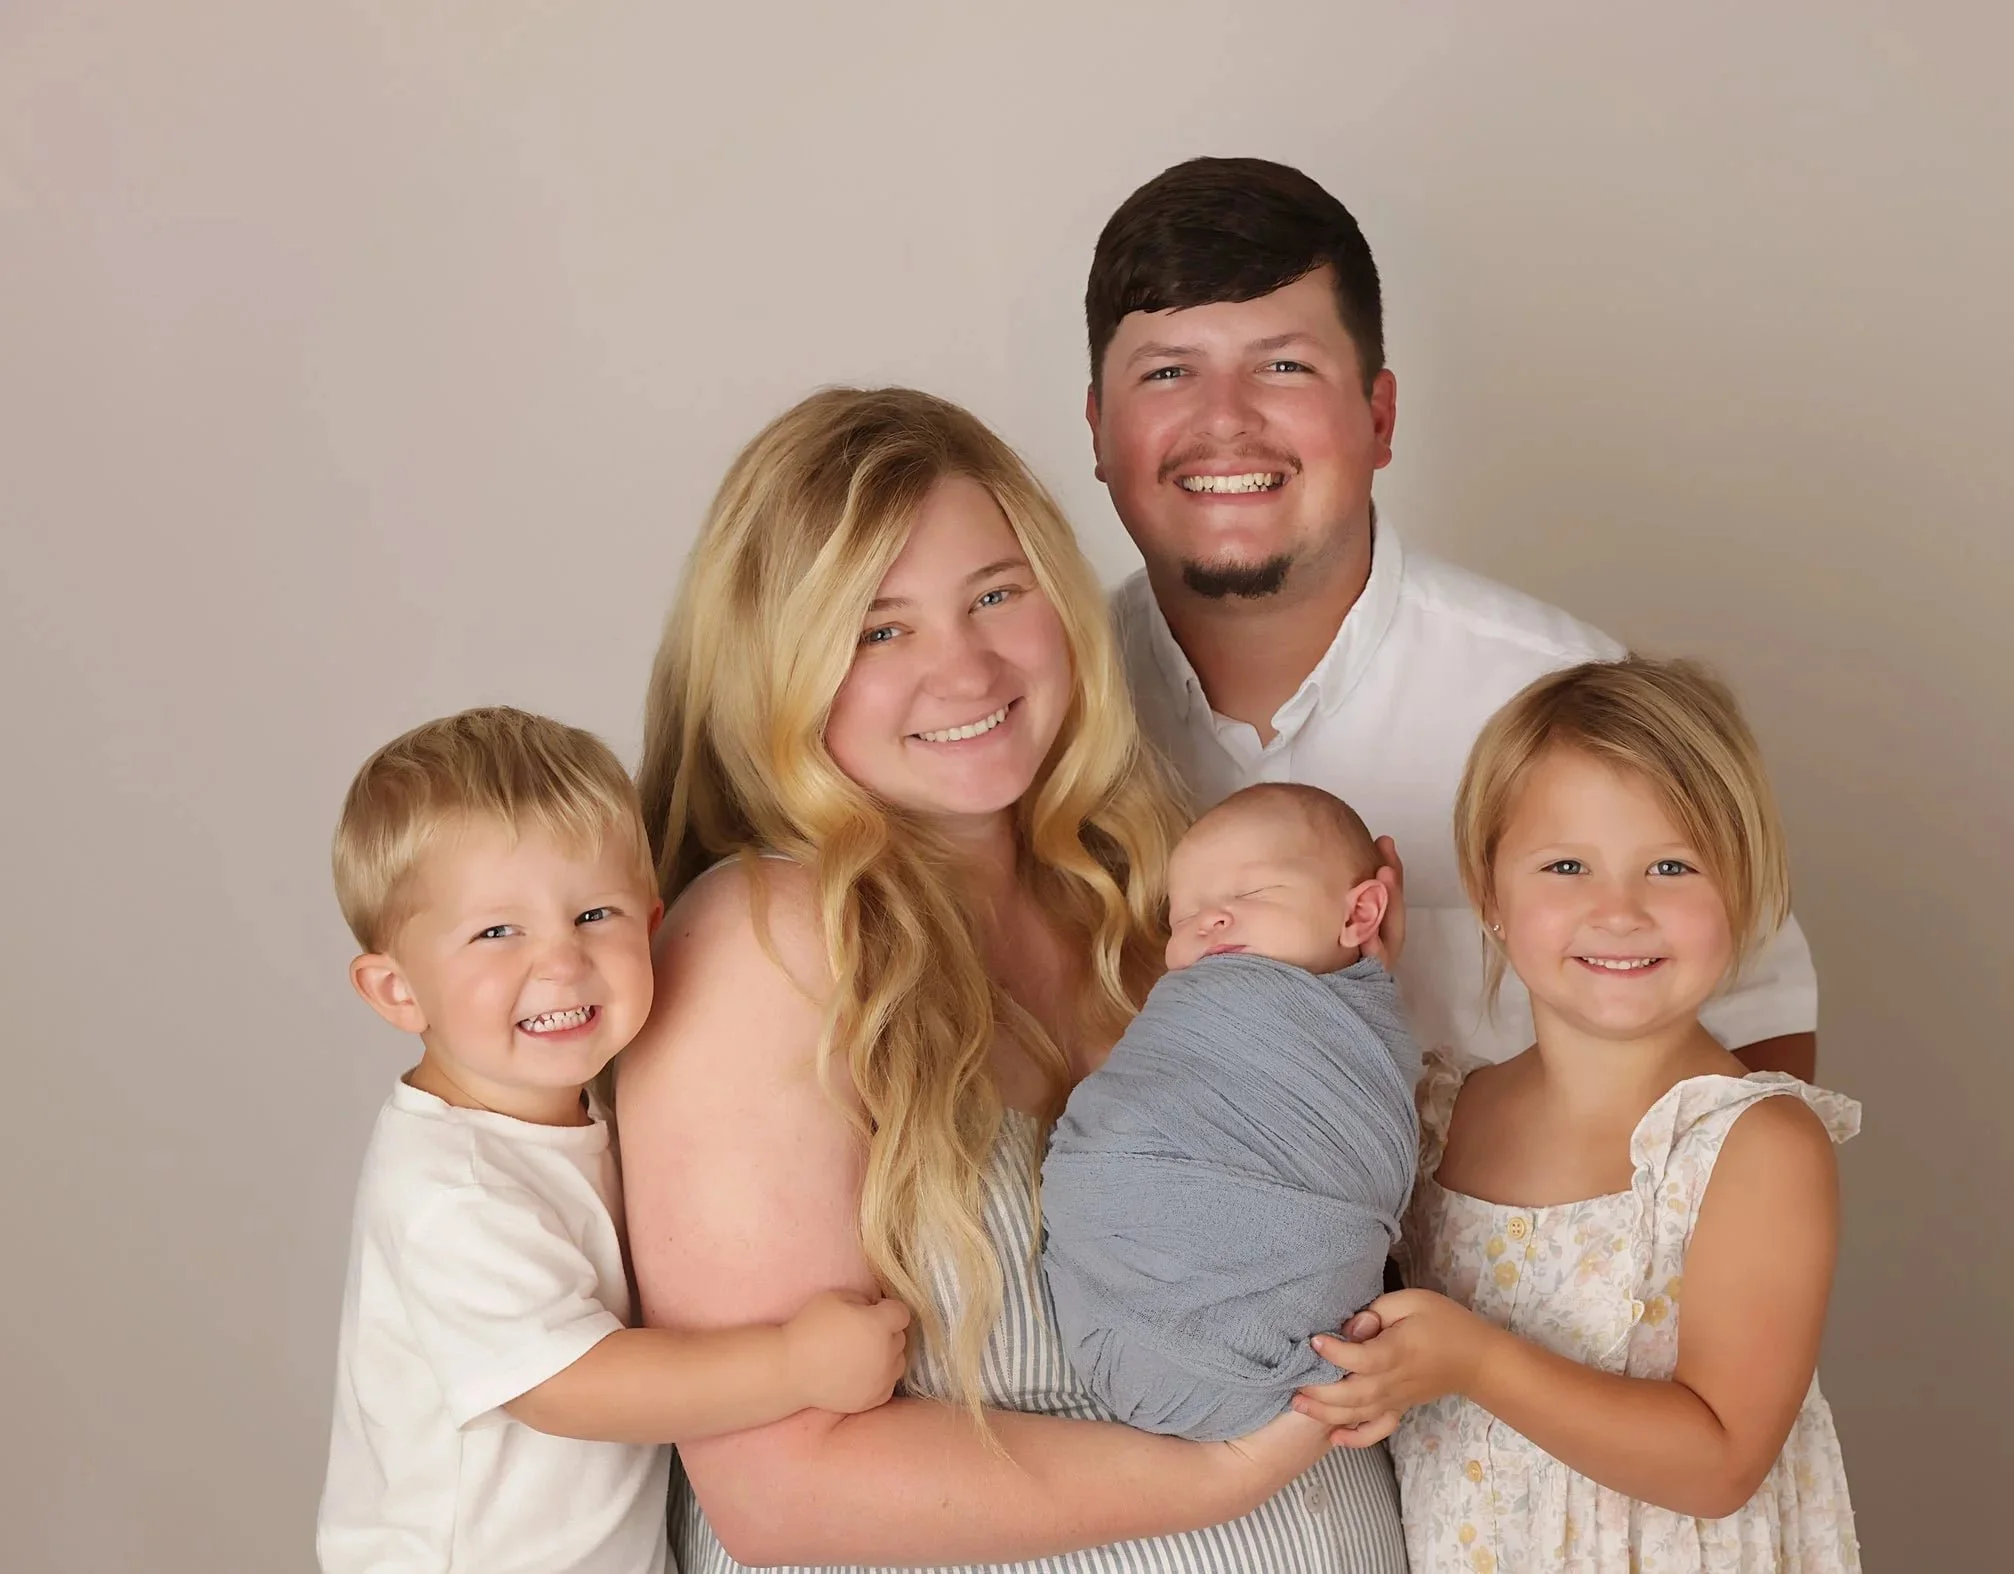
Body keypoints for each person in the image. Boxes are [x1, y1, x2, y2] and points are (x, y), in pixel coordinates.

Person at [616, 387, 1411, 1572]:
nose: (966, 667)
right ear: (774, 670)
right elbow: (784, 1487)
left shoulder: (1159, 893)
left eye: (995, 594)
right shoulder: (759, 946)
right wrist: (1217, 1475)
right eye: (878, 630)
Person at [1083, 156, 1821, 1079]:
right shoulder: (1034, 729)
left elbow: (1761, 1038)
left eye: (1283, 365)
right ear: (1099, 430)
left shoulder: (1563, 702)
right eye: (1166, 373)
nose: (1224, 419)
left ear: (1379, 417)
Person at [1293, 659, 1863, 1572]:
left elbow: (1720, 1462)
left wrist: (1477, 1363)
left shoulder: (1751, 1147)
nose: (1620, 910)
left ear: (1746, 887)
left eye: (1671, 866)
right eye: (1566, 866)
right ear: (1491, 899)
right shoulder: (1446, 1116)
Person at [316, 707, 911, 1574]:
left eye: (594, 914)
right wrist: (793, 1366)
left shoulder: (571, 1117)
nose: (560, 963)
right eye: (496, 932)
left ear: (650, 923)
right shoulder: (451, 1190)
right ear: (397, 990)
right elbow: (572, 1386)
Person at [1041, 782, 1418, 1442]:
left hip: (1263, 1340)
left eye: (1248, 895)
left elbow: (1356, 1146)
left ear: (1361, 914)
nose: (1207, 921)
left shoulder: (1364, 1044)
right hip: (1126, 1306)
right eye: (1182, 915)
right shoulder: (1190, 1014)